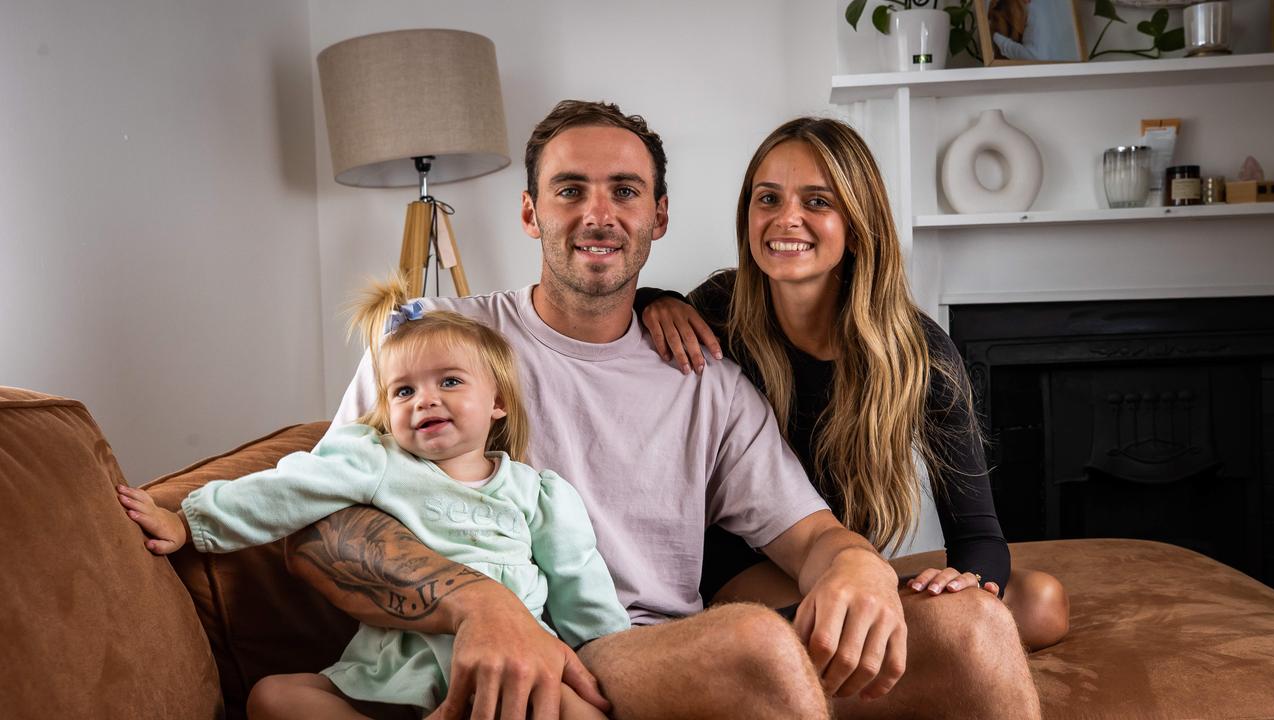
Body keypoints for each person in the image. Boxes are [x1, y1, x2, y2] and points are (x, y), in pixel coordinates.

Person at [293, 100, 1041, 720]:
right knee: (751, 643)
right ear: (529, 211)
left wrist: (856, 565)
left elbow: (809, 533)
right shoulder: (434, 345)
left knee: (973, 624)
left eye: (623, 191)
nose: (598, 214)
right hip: (548, 648)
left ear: (660, 216)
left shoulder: (705, 375)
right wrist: (479, 607)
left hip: (656, 650)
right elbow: (317, 521)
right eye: (569, 190)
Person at [637, 116, 1070, 651]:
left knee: (1041, 603)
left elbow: (979, 535)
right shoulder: (718, 311)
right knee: (829, 631)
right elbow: (611, 323)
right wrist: (652, 299)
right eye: (767, 199)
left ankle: (911, 646)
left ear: (858, 222)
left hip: (845, 564)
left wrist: (970, 583)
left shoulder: (919, 352)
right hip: (740, 565)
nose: (786, 219)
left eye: (817, 202)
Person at [117, 294, 630, 720]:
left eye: (449, 381)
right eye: (403, 390)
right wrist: (189, 520)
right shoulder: (375, 459)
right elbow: (286, 489)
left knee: (580, 712)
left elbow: (579, 583)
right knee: (273, 697)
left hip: (505, 670)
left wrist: (608, 665)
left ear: (497, 401)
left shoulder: (539, 492)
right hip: (390, 673)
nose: (424, 400)